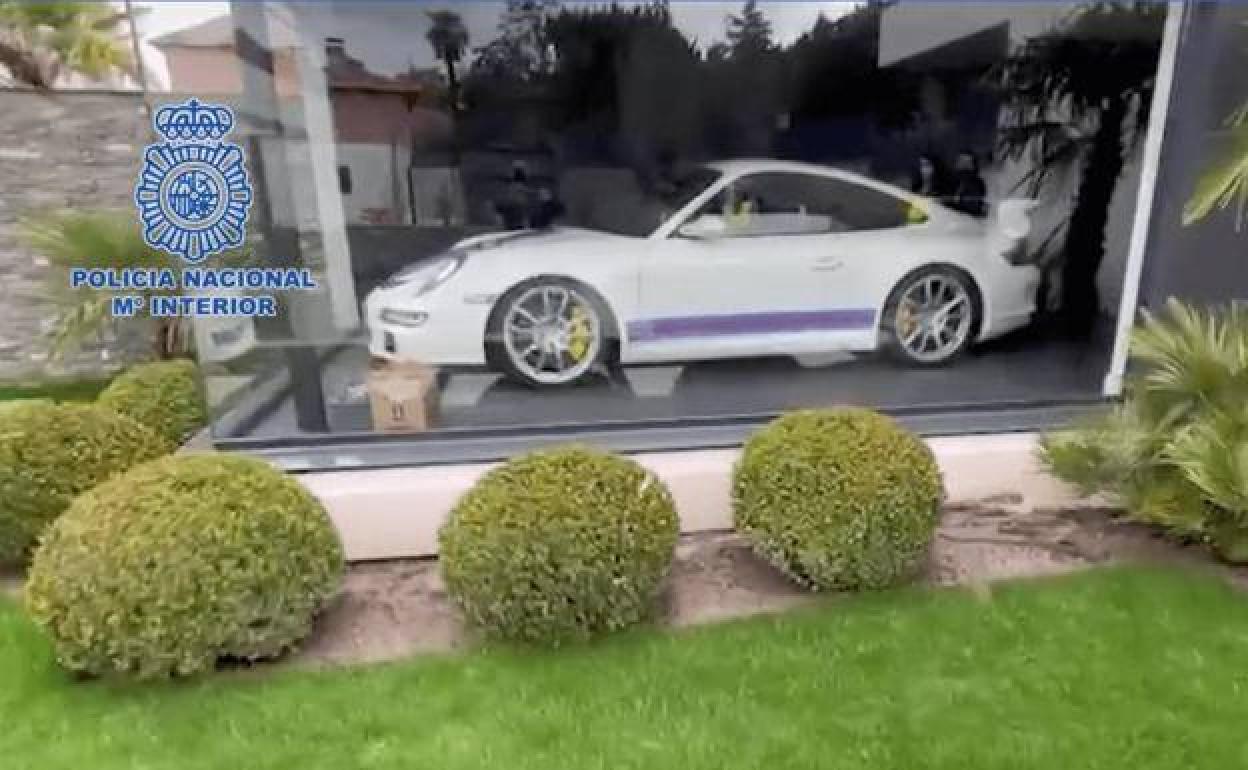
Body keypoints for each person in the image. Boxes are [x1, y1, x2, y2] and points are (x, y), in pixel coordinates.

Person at [949, 150, 988, 218]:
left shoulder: (976, 182)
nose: (964, 165)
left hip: (968, 216)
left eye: (967, 163)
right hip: (953, 213)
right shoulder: (951, 179)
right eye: (961, 162)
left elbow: (977, 198)